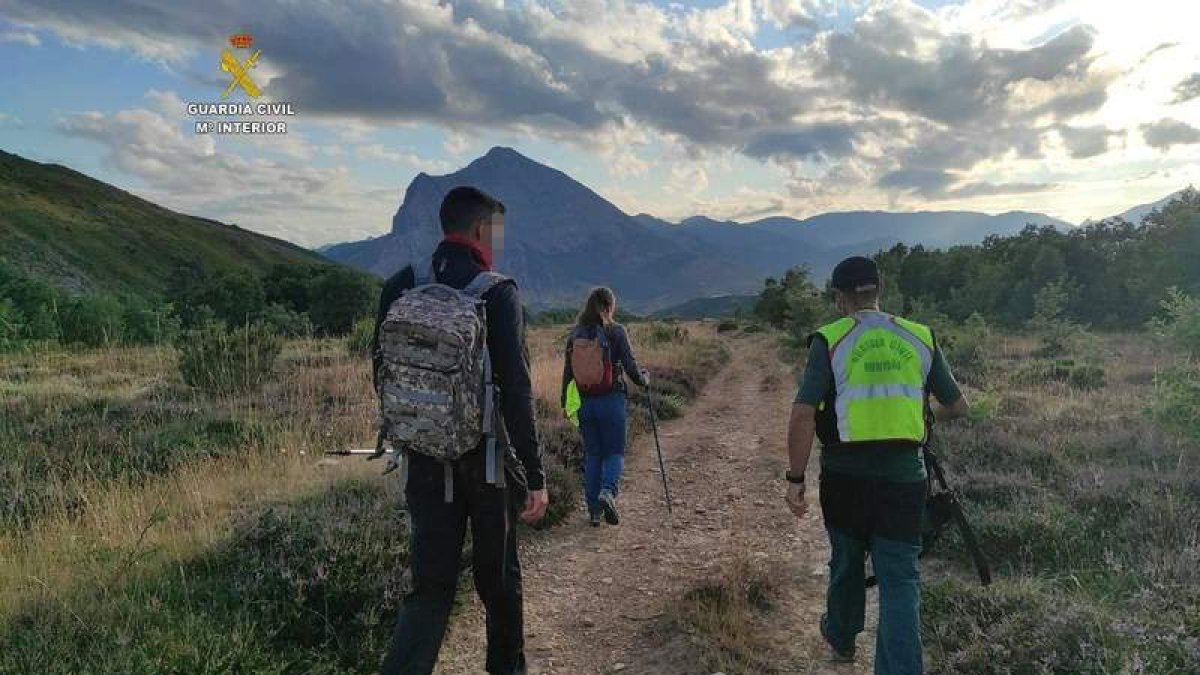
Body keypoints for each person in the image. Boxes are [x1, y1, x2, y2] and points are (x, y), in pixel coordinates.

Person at [373, 186, 548, 675]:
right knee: (499, 582)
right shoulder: (497, 292)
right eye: (496, 232)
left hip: (424, 459)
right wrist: (534, 476)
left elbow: (382, 371)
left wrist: (419, 427)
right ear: (480, 230)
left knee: (429, 587)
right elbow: (516, 391)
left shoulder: (402, 284)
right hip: (487, 463)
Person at [784, 256, 969, 675]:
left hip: (845, 479)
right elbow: (958, 406)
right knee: (900, 581)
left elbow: (802, 415)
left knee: (847, 562)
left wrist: (795, 479)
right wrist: (923, 418)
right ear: (879, 291)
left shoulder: (830, 339)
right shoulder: (920, 336)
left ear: (839, 297)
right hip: (904, 481)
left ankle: (842, 640)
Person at [560, 287, 649, 527]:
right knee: (614, 452)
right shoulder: (616, 332)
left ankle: (594, 513)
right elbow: (630, 367)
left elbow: (568, 374)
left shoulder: (574, 335)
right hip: (611, 400)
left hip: (584, 403)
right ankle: (608, 492)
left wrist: (565, 404)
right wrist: (643, 380)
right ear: (609, 306)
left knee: (593, 455)